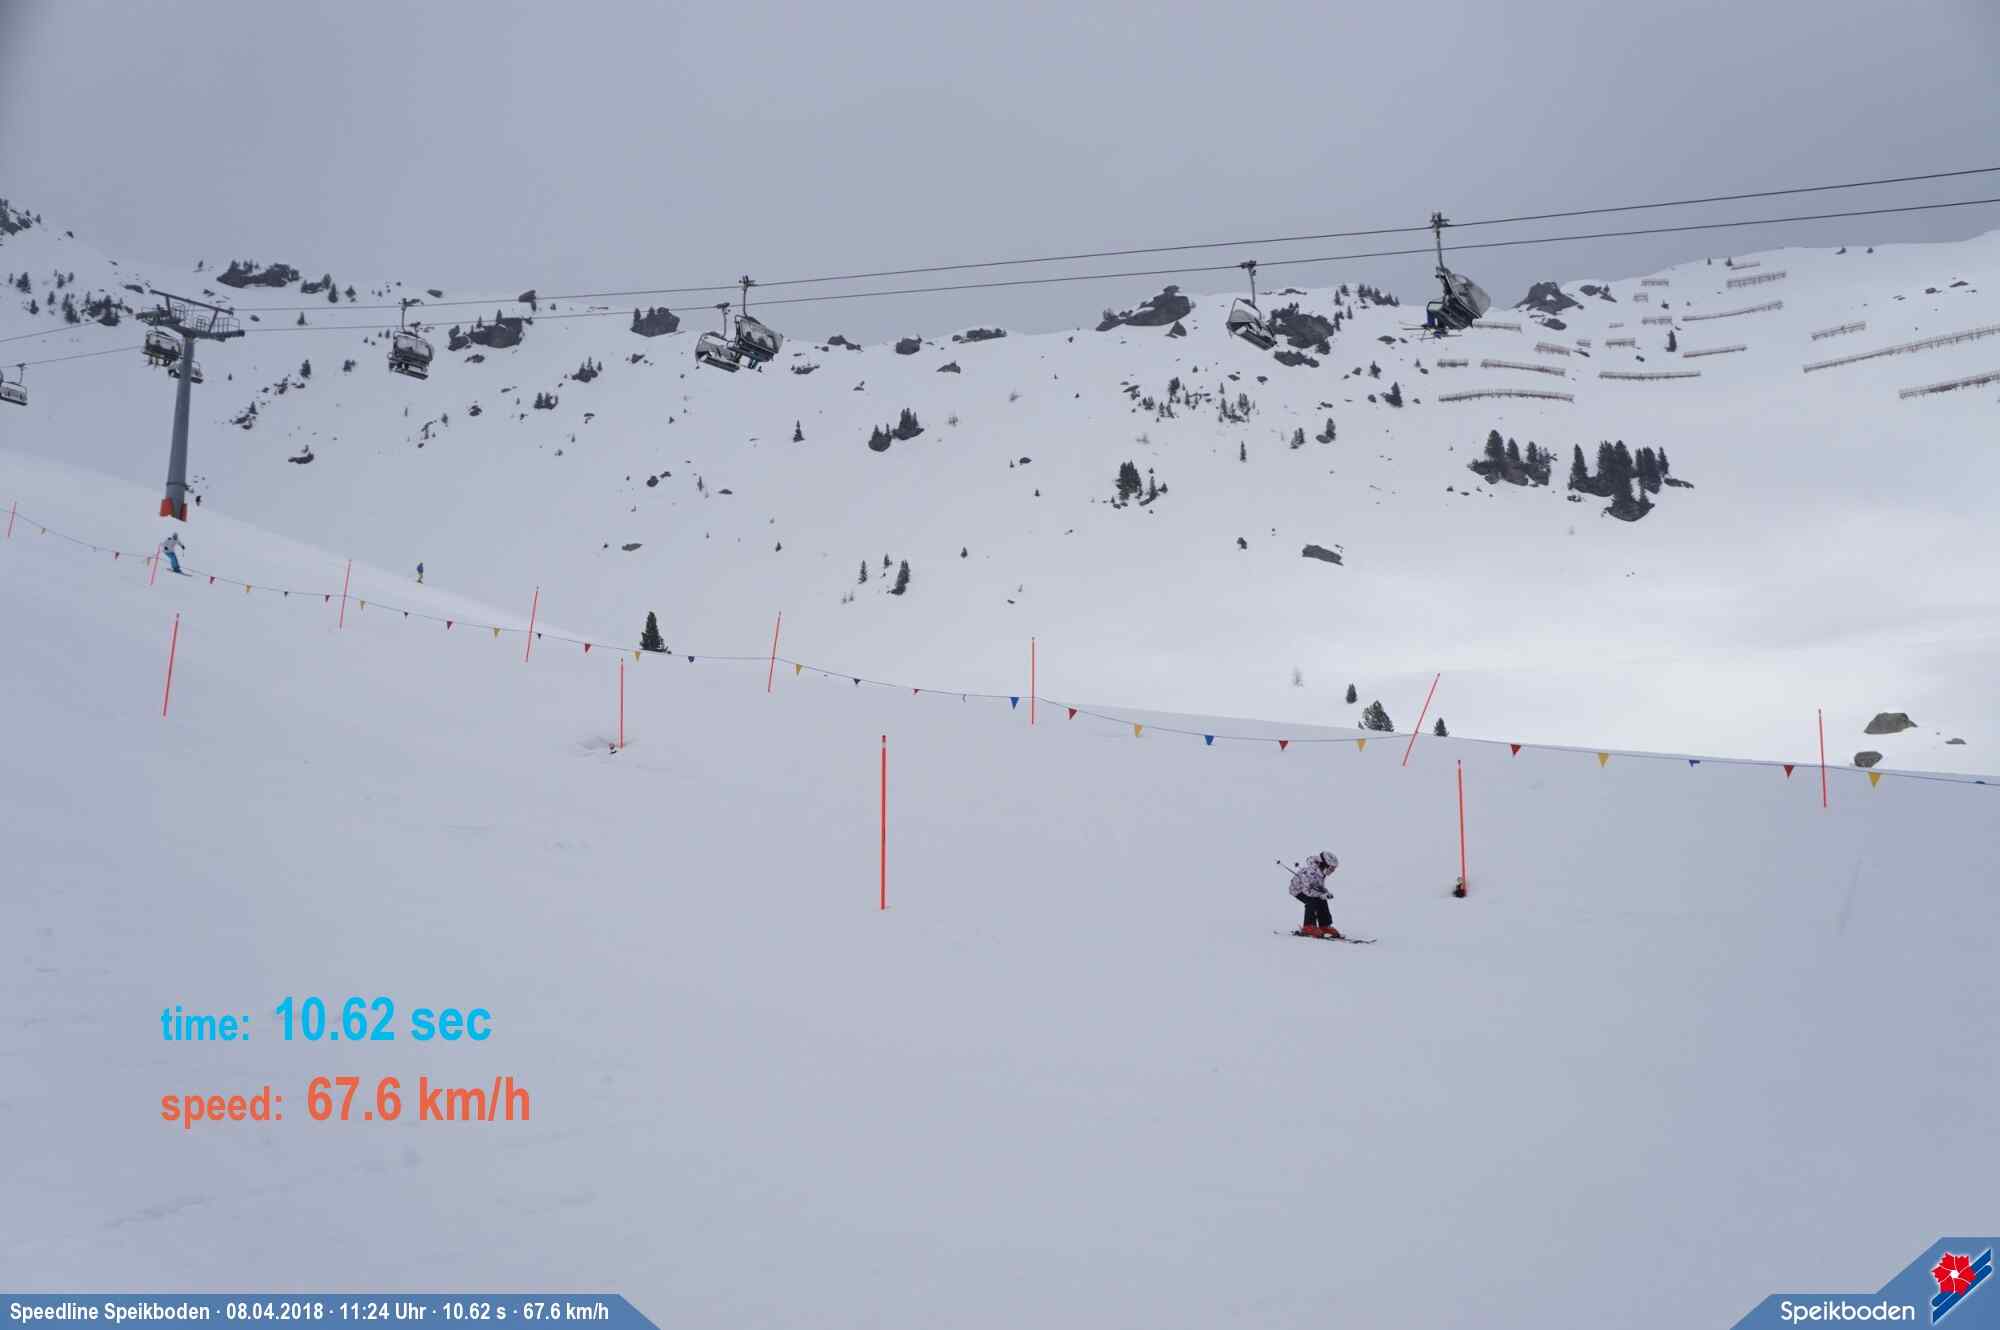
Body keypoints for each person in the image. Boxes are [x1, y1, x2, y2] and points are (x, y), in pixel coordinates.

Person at [1288, 851, 1341, 938]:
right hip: (1298, 890)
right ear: (1324, 864)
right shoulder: (1310, 872)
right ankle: (1308, 926)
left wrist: (1325, 892)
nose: (1332, 871)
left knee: (1323, 901)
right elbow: (1307, 892)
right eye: (1331, 868)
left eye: (1333, 869)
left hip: (1310, 890)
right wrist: (1320, 895)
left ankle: (1324, 926)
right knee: (1312, 901)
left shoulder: (1320, 871)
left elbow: (1318, 885)